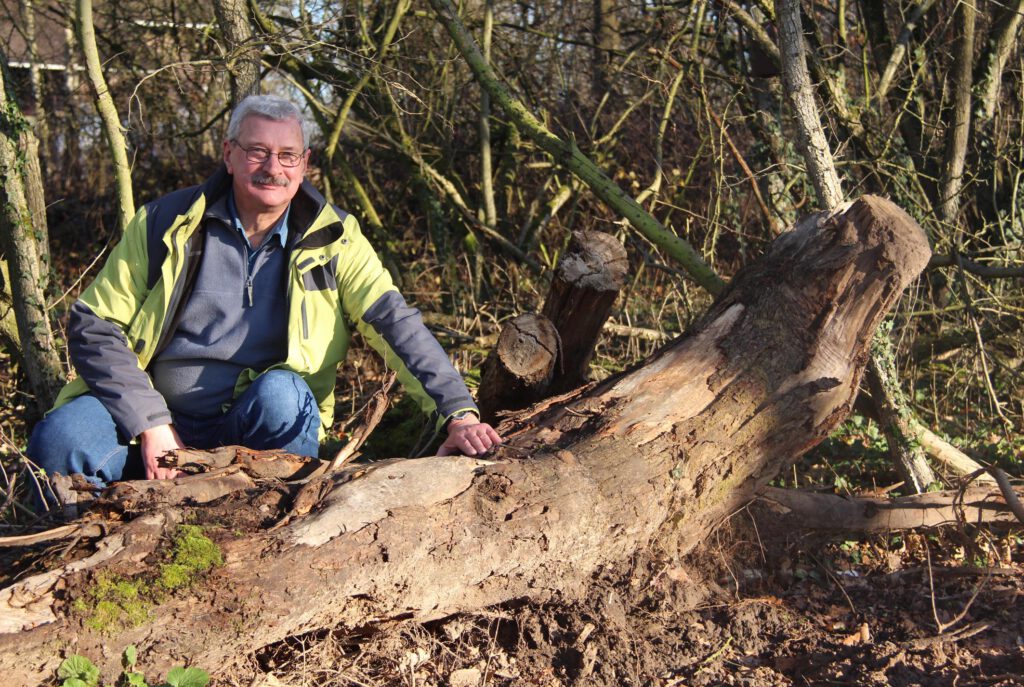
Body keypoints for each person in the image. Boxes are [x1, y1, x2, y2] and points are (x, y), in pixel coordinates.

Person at [28, 94, 501, 486]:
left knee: (286, 396)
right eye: (257, 151)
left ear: (304, 164)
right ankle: (89, 558)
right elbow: (95, 325)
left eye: (287, 155)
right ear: (229, 154)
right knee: (62, 437)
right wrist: (150, 423)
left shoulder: (334, 237)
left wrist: (457, 413)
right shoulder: (164, 223)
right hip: (149, 423)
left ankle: (271, 528)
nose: (272, 167)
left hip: (252, 432)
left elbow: (395, 324)